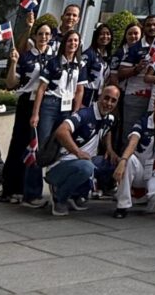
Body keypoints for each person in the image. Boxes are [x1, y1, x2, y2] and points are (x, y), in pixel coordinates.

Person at [26, 30, 87, 208]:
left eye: (76, 41)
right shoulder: (54, 62)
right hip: (50, 105)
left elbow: (80, 91)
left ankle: (58, 186)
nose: (73, 44)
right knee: (41, 146)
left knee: (63, 148)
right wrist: (35, 113)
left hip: (67, 109)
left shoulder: (79, 65)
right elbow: (41, 88)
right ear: (64, 43)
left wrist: (76, 114)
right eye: (70, 41)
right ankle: (32, 193)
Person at [0, 21, 54, 204]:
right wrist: (13, 63)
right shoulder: (26, 57)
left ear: (51, 37)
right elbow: (11, 83)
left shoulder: (54, 58)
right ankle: (10, 188)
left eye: (47, 34)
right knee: (19, 145)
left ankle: (27, 188)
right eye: (40, 34)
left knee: (35, 147)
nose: (43, 37)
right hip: (26, 103)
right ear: (35, 36)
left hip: (45, 105)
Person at [44, 85, 119, 216]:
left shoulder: (109, 118)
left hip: (84, 162)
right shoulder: (85, 114)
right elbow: (61, 131)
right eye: (106, 98)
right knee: (87, 168)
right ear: (99, 96)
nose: (109, 103)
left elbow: (108, 130)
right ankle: (59, 196)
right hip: (61, 164)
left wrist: (110, 149)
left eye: (113, 100)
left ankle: (75, 194)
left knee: (115, 163)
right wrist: (77, 152)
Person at [113, 89, 155, 219]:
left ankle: (147, 198)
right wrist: (122, 160)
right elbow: (132, 142)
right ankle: (123, 205)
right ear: (154, 103)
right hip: (140, 169)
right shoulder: (142, 122)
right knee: (129, 159)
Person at [117, 16, 155, 145]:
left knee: (148, 138)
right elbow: (120, 72)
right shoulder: (135, 48)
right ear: (143, 27)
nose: (152, 28)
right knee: (129, 135)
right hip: (135, 98)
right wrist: (136, 69)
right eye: (148, 25)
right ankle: (124, 163)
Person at [81, 24, 113, 108]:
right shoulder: (88, 54)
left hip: (100, 96)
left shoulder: (108, 56)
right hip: (86, 95)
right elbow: (80, 77)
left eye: (108, 34)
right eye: (102, 34)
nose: (105, 36)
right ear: (96, 36)